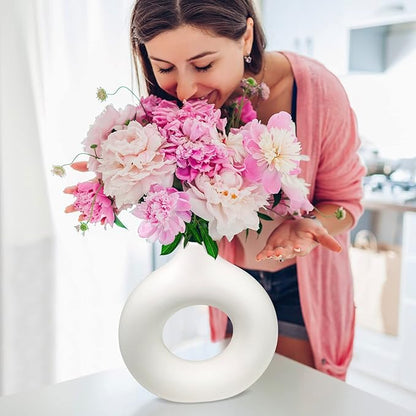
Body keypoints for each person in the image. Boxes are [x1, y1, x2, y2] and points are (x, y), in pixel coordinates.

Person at [127, 0, 365, 381]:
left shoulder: (318, 91)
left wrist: (309, 227)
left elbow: (347, 204)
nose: (186, 89)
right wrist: (115, 173)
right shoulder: (168, 107)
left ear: (246, 37)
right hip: (231, 281)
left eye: (204, 65)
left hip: (300, 289)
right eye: (165, 68)